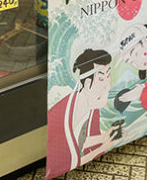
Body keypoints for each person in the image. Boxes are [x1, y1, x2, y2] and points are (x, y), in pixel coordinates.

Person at [46, 48, 117, 178]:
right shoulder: (61, 113)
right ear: (88, 83)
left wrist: (104, 137)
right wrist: (103, 146)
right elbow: (67, 160)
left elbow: (81, 142)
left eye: (108, 76)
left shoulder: (92, 108)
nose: (108, 86)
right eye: (101, 79)